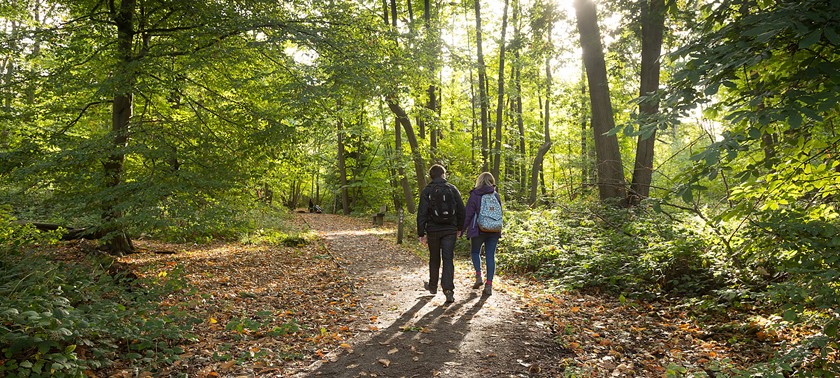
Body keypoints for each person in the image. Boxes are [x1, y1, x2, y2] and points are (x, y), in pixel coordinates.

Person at [417, 164, 465, 303]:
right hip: (450, 229)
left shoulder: (427, 190)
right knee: (448, 259)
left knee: (434, 258)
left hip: (433, 230)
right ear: (443, 174)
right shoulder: (452, 189)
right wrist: (460, 228)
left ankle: (432, 286)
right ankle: (448, 290)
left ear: (431, 176)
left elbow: (422, 213)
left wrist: (421, 233)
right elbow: (461, 210)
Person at [462, 172, 502, 296]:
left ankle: (478, 275)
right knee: (490, 256)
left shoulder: (475, 194)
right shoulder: (496, 195)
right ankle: (489, 285)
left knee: (475, 252)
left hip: (478, 229)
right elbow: (500, 213)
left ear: (479, 181)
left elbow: (468, 214)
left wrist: (461, 230)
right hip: (494, 230)